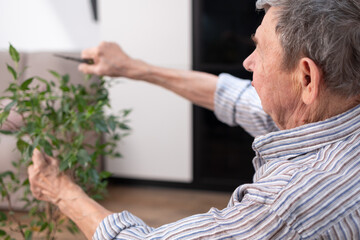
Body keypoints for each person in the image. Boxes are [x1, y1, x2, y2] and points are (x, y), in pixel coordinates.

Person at [28, 0, 360, 239]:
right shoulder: (338, 112)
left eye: (260, 50)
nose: (247, 62)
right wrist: (130, 67)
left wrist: (60, 191)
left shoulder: (287, 207)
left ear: (306, 79)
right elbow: (232, 97)